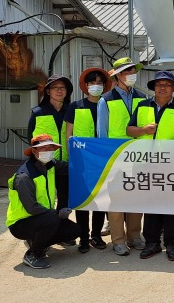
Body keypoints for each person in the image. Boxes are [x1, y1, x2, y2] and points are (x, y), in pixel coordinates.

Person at [128, 71, 174, 261]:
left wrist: (173, 156)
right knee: (151, 205)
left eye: (167, 84)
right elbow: (129, 130)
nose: (162, 88)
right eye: (159, 84)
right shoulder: (142, 105)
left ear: (173, 88)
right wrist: (143, 130)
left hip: (170, 165)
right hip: (145, 163)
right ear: (154, 88)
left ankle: (171, 244)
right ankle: (152, 243)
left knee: (171, 206)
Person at [97, 56, 147, 256]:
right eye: (127, 71)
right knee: (116, 199)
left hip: (138, 155)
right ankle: (118, 240)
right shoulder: (105, 100)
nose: (131, 74)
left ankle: (134, 236)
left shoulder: (142, 97)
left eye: (133, 70)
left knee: (136, 198)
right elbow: (102, 133)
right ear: (117, 76)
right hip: (115, 156)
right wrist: (106, 160)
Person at [6, 134, 80, 269]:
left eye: (51, 148)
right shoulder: (24, 177)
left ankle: (37, 241)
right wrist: (58, 214)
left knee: (74, 230)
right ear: (34, 151)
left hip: (42, 218)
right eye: (44, 148)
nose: (48, 151)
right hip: (21, 223)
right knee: (53, 219)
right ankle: (32, 254)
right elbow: (31, 208)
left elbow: (71, 167)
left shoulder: (50, 165)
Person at [64, 67, 111, 253]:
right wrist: (73, 160)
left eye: (99, 83)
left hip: (102, 161)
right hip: (81, 163)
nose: (96, 86)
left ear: (104, 86)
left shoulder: (107, 105)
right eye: (92, 83)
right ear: (86, 85)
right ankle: (83, 238)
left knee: (100, 199)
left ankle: (96, 235)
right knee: (83, 201)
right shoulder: (76, 106)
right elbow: (69, 134)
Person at [27, 74, 73, 210]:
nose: (59, 90)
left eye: (62, 88)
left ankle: (62, 222)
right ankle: (48, 222)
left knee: (65, 201)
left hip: (65, 164)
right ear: (48, 91)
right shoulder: (38, 113)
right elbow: (30, 138)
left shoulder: (71, 111)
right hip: (44, 163)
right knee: (45, 199)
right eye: (55, 88)